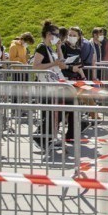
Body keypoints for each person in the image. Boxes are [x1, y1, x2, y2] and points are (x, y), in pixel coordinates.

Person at [32, 21, 66, 152]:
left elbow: (61, 63)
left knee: (56, 112)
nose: (58, 37)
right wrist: (52, 64)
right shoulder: (41, 48)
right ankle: (40, 137)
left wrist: (58, 47)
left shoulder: (51, 48)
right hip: (45, 86)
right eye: (56, 35)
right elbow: (35, 66)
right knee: (49, 113)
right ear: (48, 34)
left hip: (53, 85)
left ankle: (50, 137)